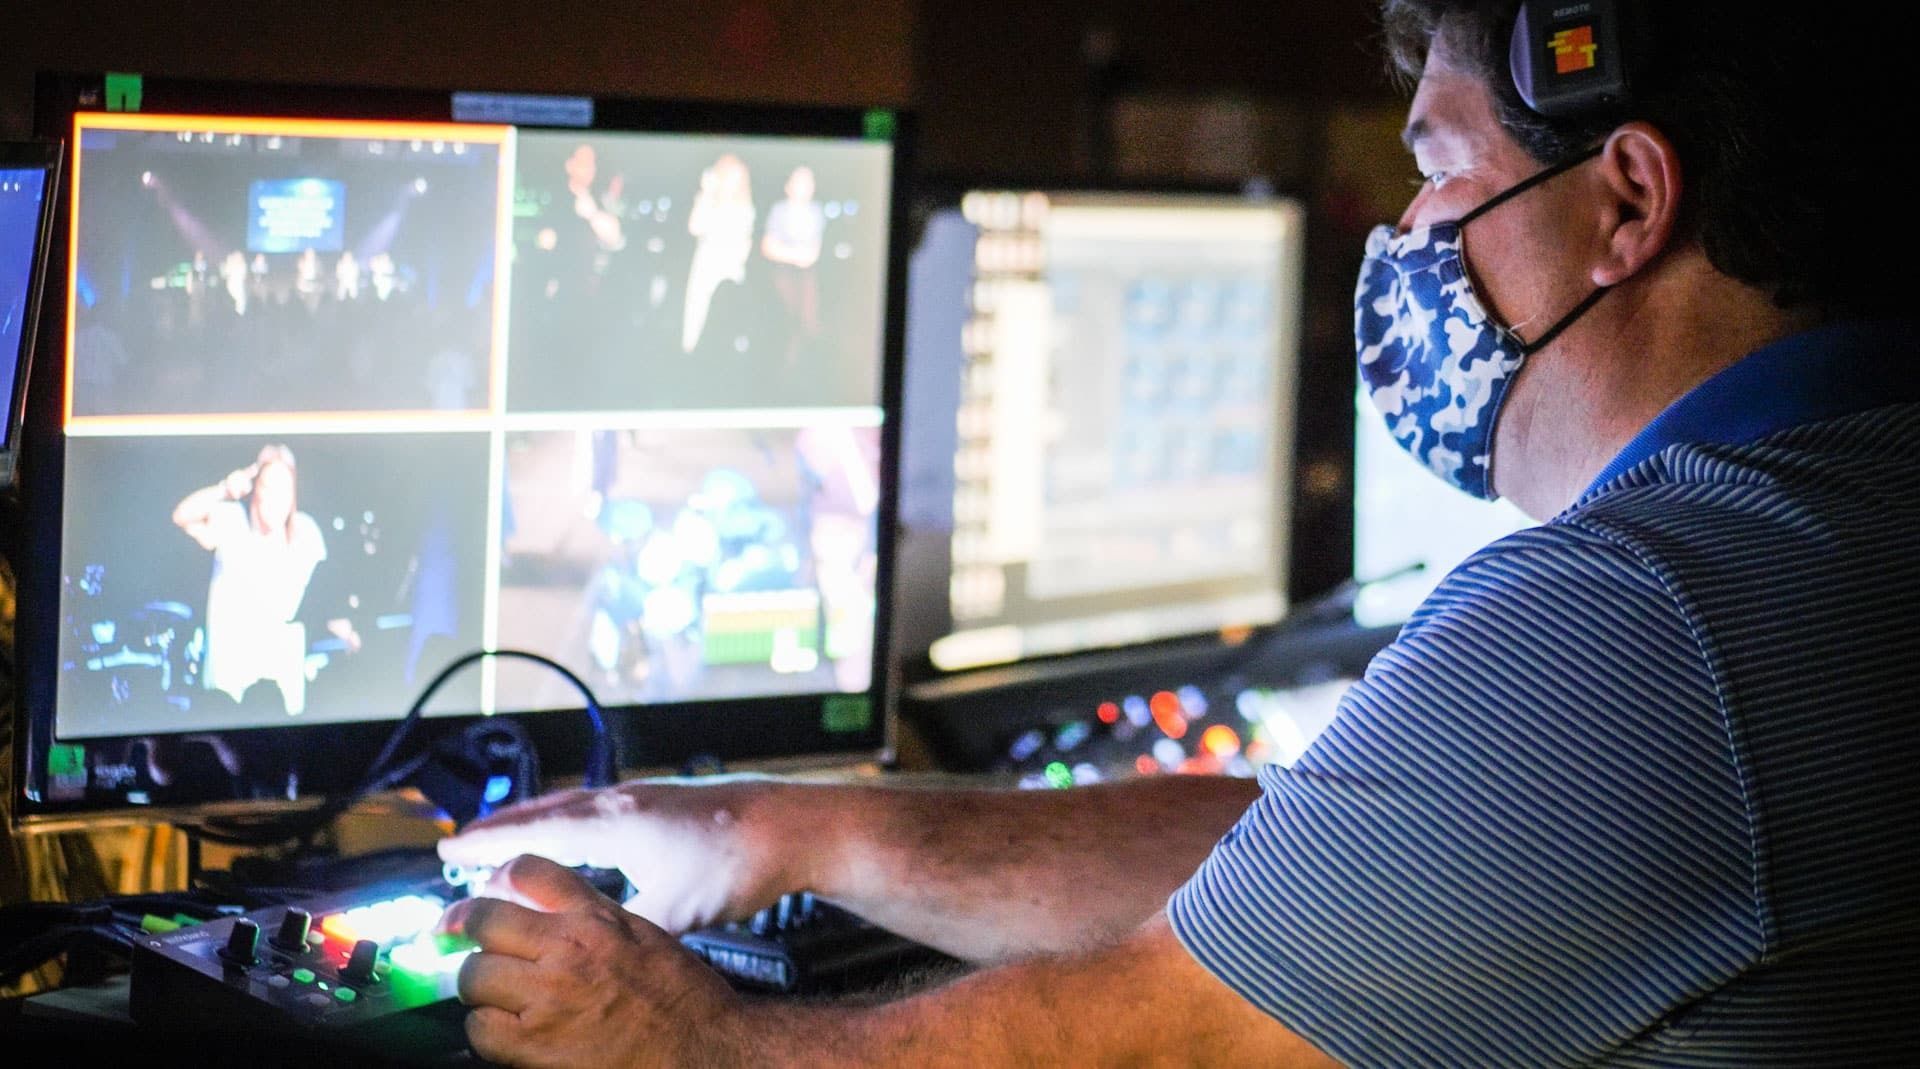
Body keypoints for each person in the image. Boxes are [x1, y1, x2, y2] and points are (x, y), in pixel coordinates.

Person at [435, 2, 1920, 1064]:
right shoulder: (1837, 506)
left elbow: (1161, 1039)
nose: (1409, 235)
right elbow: (1319, 860)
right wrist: (794, 826)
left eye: (1444, 170)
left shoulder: (1647, 608)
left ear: (1628, 202)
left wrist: (686, 1037)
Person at [171, 445, 356, 716]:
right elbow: (182, 516)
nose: (275, 498)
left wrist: (348, 633)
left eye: (284, 490)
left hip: (283, 688)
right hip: (229, 685)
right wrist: (224, 490)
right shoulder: (230, 521)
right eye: (268, 487)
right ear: (255, 489)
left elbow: (320, 597)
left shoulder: (306, 533)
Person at [680, 154, 756, 354]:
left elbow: (742, 244)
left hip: (730, 271)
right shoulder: (707, 200)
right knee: (696, 319)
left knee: (726, 321)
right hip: (705, 268)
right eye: (728, 176)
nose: (733, 182)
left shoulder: (746, 208)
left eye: (737, 178)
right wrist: (706, 191)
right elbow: (695, 226)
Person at [760, 165, 826, 364]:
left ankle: (801, 363)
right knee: (783, 321)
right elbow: (768, 247)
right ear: (789, 186)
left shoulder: (816, 212)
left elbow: (813, 253)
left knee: (806, 321)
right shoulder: (779, 211)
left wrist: (798, 256)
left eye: (809, 182)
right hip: (780, 275)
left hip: (805, 277)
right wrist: (794, 255)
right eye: (800, 181)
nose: (805, 187)